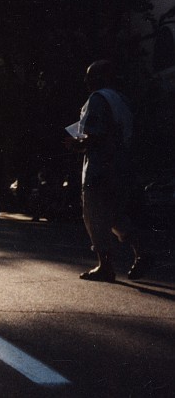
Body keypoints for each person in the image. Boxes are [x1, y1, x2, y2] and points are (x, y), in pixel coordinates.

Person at [64, 59, 149, 282]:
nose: (86, 81)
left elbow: (97, 134)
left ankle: (105, 266)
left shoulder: (97, 99)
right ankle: (142, 252)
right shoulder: (121, 99)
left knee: (95, 217)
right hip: (122, 167)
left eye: (90, 76)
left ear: (100, 78)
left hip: (100, 169)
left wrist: (78, 143)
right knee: (116, 216)